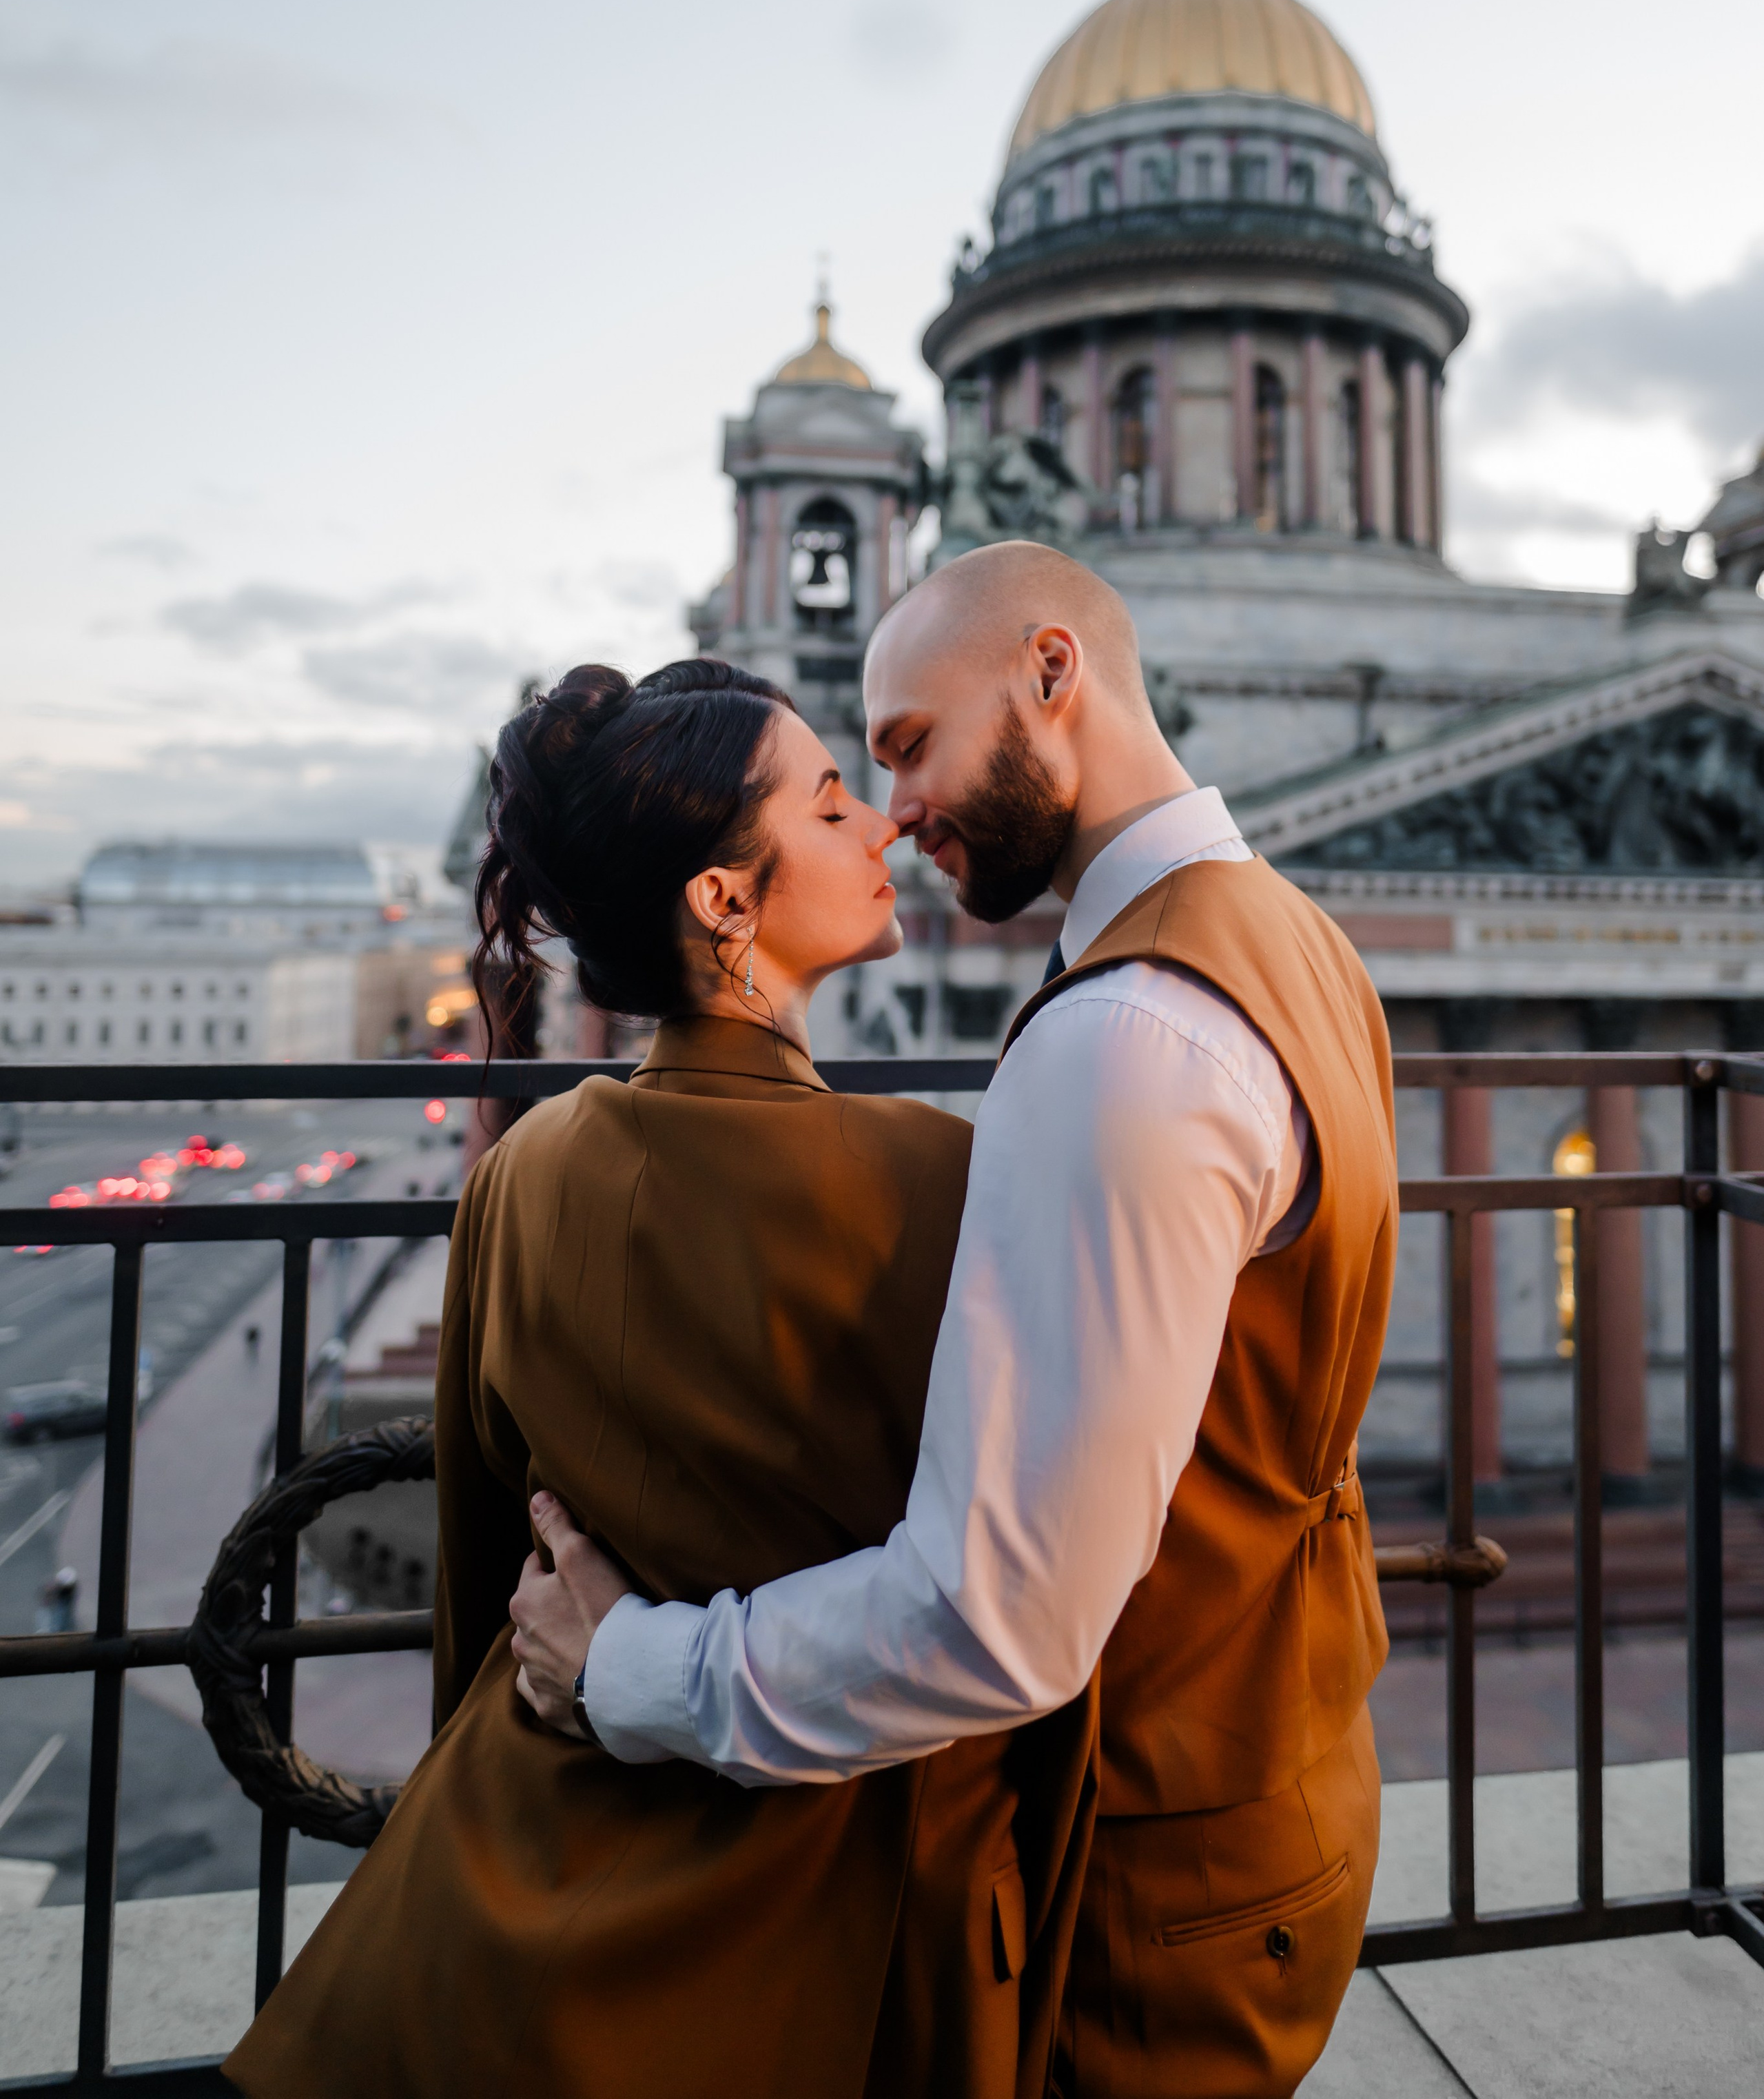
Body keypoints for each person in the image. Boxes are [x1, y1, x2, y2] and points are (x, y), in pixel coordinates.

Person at [511, 544, 1399, 2099]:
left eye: (909, 744)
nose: (895, 807)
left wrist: (626, 1671)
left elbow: (999, 1617)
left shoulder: (1124, 1034)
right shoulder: (1291, 940)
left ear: (1050, 673)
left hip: (1148, 1873)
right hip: (1277, 1784)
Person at [225, 659, 1098, 2099]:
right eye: (832, 803)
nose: (882, 823)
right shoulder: (948, 1182)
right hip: (848, 1921)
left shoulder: (522, 1174)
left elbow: (481, 1578)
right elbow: (1023, 1594)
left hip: (519, 1883)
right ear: (724, 900)